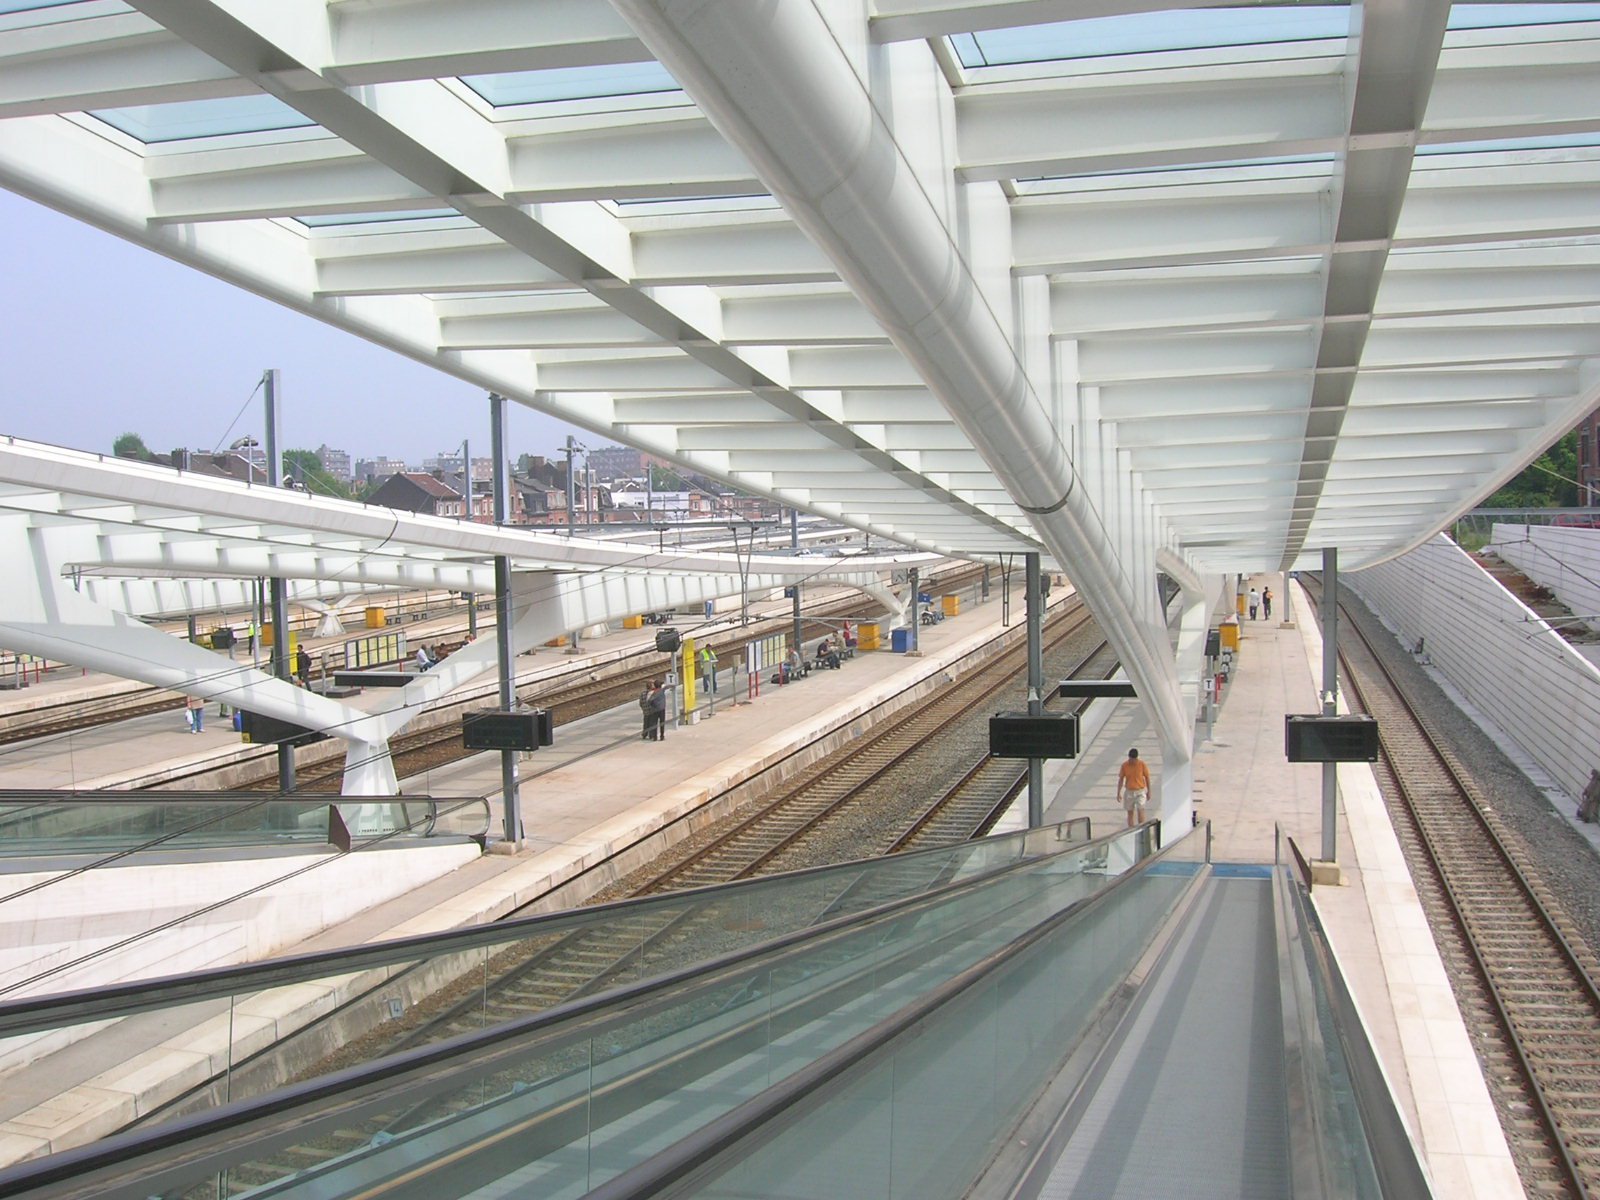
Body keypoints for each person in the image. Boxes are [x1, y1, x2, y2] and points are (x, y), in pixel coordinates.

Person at [1117, 747, 1151, 828]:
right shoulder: (1125, 765)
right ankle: (1131, 829)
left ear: (1136, 758)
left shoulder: (1142, 764)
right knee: (1130, 812)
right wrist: (1118, 793)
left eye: (1133, 760)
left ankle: (1141, 828)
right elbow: (1121, 779)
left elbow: (1147, 777)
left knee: (1141, 810)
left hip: (1140, 791)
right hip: (1129, 791)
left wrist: (1149, 791)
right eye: (1130, 759)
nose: (1132, 761)